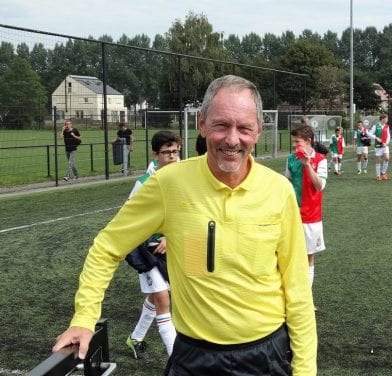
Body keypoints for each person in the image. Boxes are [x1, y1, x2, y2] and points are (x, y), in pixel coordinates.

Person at [52, 75, 317, 375]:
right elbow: (107, 247)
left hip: (267, 357)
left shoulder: (278, 190)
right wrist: (84, 317)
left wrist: (306, 370)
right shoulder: (169, 184)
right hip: (195, 358)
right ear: (202, 125)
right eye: (221, 125)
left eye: (244, 128)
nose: (232, 139)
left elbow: (297, 290)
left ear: (258, 131)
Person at [125, 131, 181, 360]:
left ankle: (135, 338)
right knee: (162, 299)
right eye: (167, 152)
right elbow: (128, 215)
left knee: (160, 295)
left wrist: (170, 236)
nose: (172, 156)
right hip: (146, 250)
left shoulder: (181, 177)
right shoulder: (144, 183)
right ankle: (177, 360)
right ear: (155, 154)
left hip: (171, 246)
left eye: (175, 151)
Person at [285, 125, 328, 298]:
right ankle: (291, 295)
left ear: (308, 141)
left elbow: (320, 186)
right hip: (292, 216)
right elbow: (286, 183)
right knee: (290, 257)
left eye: (297, 142)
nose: (294, 145)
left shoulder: (320, 159)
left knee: (308, 258)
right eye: (293, 142)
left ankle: (305, 298)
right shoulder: (290, 158)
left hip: (311, 218)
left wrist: (308, 165)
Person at [372, 114, 391, 181]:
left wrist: (386, 143)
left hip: (385, 145)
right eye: (386, 118)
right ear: (382, 119)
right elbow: (369, 134)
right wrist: (376, 138)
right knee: (378, 160)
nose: (387, 120)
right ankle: (378, 175)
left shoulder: (387, 126)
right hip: (378, 146)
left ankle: (383, 172)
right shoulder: (376, 126)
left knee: (387, 158)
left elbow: (388, 135)